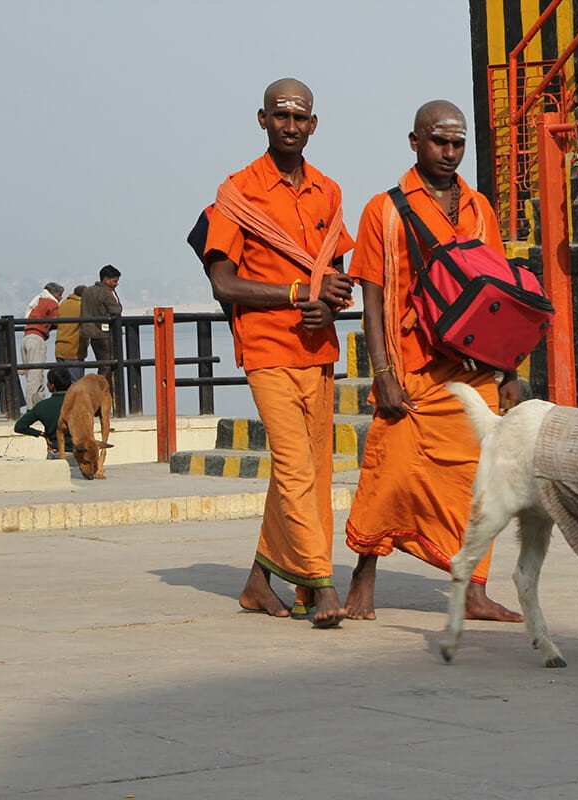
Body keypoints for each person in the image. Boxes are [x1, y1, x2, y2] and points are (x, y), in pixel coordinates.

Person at [343, 100, 523, 623]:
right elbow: (372, 298)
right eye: (439, 141)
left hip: (473, 368)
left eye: (458, 143)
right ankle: (363, 576)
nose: (450, 152)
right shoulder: (383, 209)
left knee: (483, 482)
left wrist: (508, 373)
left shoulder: (479, 208)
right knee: (388, 474)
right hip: (411, 368)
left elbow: (500, 294)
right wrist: (382, 371)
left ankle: (473, 589)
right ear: (414, 141)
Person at [204, 77, 355, 627]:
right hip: (266, 349)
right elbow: (223, 281)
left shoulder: (329, 191)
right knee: (295, 468)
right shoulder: (238, 192)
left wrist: (329, 303)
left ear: (313, 124)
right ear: (262, 119)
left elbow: (335, 276)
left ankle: (256, 584)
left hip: (318, 350)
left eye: (301, 117)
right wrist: (298, 295)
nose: (291, 126)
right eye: (281, 116)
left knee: (310, 469)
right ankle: (320, 584)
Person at [20, 282, 64, 407]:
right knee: (36, 377)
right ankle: (32, 408)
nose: (60, 298)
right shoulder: (51, 302)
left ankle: (34, 405)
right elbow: (57, 320)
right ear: (55, 293)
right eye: (60, 295)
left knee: (30, 375)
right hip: (36, 339)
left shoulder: (37, 301)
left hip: (26, 338)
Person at [13, 367, 73, 455]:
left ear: (52, 386)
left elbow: (19, 426)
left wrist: (41, 434)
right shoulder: (79, 404)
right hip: (79, 453)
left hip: (56, 452)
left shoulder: (43, 406)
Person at [80, 265, 122, 388]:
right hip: (104, 334)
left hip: (90, 334)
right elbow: (116, 310)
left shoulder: (87, 291)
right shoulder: (107, 292)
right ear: (106, 279)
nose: (116, 284)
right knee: (107, 365)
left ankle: (103, 391)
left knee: (102, 363)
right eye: (115, 281)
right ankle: (102, 390)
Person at [54, 285, 87, 383]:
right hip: (73, 350)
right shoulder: (81, 306)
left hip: (60, 347)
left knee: (62, 383)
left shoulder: (63, 304)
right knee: (76, 384)